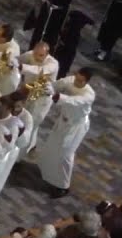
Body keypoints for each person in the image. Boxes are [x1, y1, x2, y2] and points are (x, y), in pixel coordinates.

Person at [36, 68, 95, 197]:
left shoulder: (89, 95)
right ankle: (46, 171)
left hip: (76, 127)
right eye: (76, 78)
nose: (76, 82)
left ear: (86, 81)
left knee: (65, 154)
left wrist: (56, 95)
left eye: (80, 81)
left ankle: (63, 186)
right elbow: (55, 85)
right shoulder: (70, 81)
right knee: (51, 145)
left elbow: (74, 101)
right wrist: (48, 85)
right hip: (63, 120)